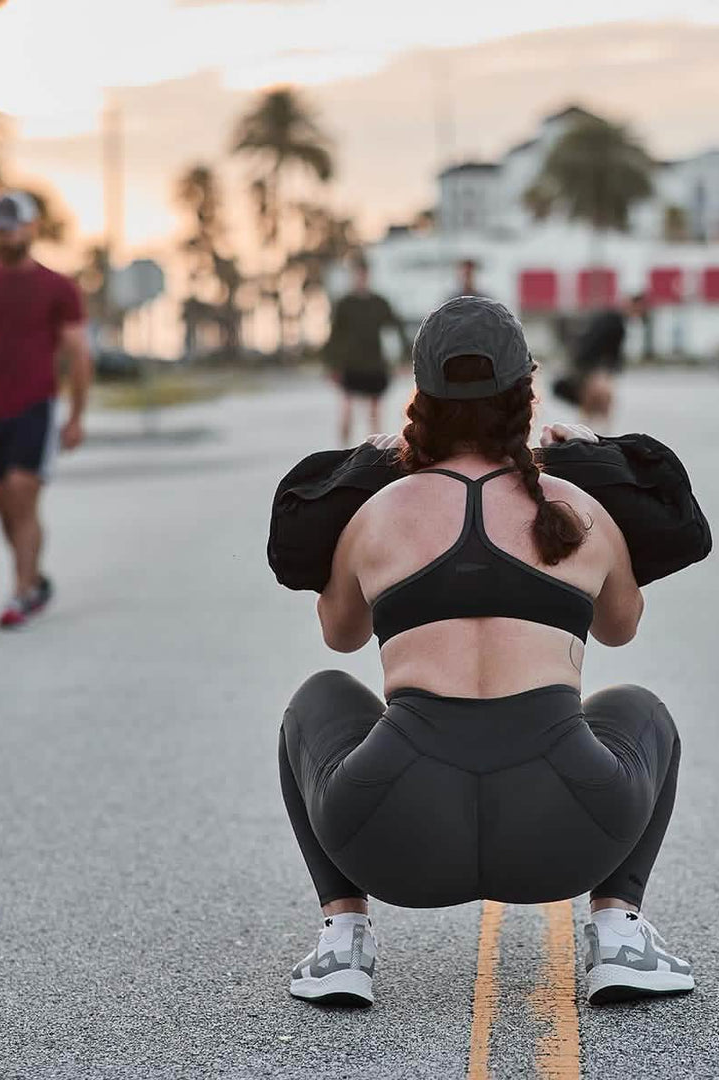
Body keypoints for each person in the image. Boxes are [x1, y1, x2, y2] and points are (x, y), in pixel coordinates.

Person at [278, 296, 693, 1008]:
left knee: (316, 697)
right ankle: (620, 933)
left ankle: (342, 941)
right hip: (568, 834)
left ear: (420, 399)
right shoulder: (575, 508)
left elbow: (339, 636)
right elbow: (622, 627)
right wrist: (591, 456)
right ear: (525, 392)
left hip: (392, 838)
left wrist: (365, 484)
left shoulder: (376, 514)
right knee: (639, 709)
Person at [0, 192, 91, 630]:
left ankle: (21, 592)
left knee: (22, 492)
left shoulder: (58, 288)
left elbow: (78, 354)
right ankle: (34, 577)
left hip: (36, 406)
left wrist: (76, 416)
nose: (5, 234)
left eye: (13, 225)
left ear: (31, 228)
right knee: (3, 503)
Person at [325, 256, 409, 446]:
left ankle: (374, 452)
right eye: (357, 274)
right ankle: (342, 451)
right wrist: (332, 365)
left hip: (374, 364)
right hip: (350, 364)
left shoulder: (379, 303)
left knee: (375, 412)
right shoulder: (344, 304)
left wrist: (404, 358)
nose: (361, 278)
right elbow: (334, 336)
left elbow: (397, 327)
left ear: (368, 275)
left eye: (364, 274)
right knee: (346, 410)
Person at [559, 293, 647, 428]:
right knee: (600, 399)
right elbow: (603, 349)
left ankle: (589, 429)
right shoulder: (615, 322)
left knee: (594, 401)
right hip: (593, 367)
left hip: (590, 365)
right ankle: (596, 430)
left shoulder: (613, 319)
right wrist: (601, 370)